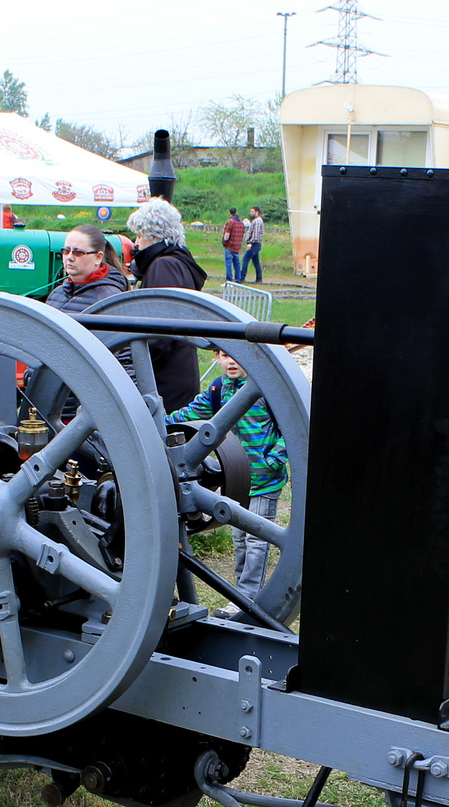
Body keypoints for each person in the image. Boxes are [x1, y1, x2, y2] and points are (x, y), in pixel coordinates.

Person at [166, 351, 287, 597]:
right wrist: (158, 422)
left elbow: (290, 429)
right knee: (240, 539)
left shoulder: (266, 390)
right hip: (237, 478)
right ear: (216, 358)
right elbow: (193, 412)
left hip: (264, 480)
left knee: (256, 541)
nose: (231, 361)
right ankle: (244, 592)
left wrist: (273, 460)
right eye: (224, 355)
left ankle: (248, 595)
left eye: (237, 355)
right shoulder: (219, 388)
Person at [126, 198, 208, 411]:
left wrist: (133, 362)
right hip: (178, 370)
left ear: (152, 236)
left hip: (164, 379)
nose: (136, 243)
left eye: (139, 235)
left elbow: (158, 331)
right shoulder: (178, 263)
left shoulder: (164, 266)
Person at [45, 224, 129, 313]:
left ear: (98, 257)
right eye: (66, 251)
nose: (69, 257)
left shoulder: (109, 299)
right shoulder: (57, 293)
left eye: (78, 252)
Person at [241, 205, 265, 283]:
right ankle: (259, 278)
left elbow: (256, 234)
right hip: (255, 244)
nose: (251, 213)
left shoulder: (257, 221)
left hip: (254, 244)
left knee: (245, 259)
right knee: (256, 262)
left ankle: (241, 277)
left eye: (252, 211)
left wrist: (250, 243)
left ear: (257, 212)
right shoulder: (256, 220)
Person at [222, 207, 245, 283]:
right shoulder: (241, 223)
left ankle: (229, 279)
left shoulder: (230, 222)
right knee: (237, 264)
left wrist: (225, 242)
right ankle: (238, 278)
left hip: (230, 246)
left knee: (229, 263)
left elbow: (227, 234)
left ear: (230, 213)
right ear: (236, 212)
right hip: (237, 246)